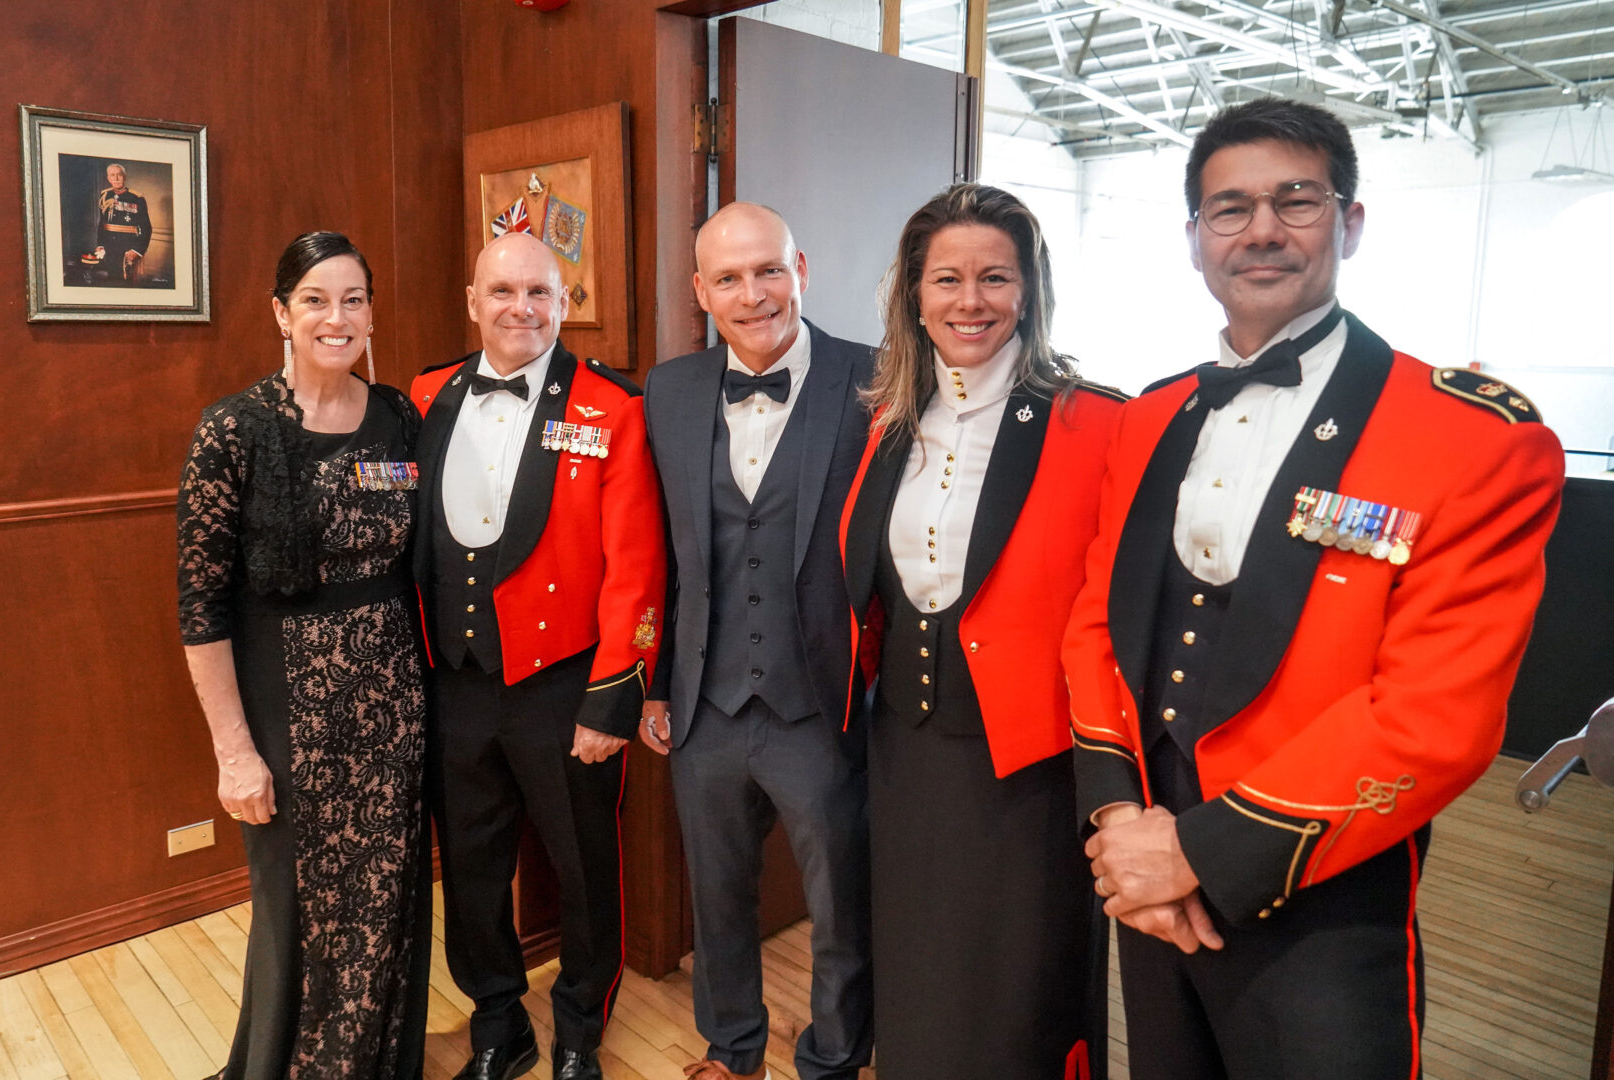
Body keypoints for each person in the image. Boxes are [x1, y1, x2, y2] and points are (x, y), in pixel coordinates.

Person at [1066, 98, 1566, 1080]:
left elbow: (1436, 715)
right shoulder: (1151, 416)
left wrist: (1201, 851)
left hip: (1317, 873)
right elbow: (1098, 623)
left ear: (1350, 222)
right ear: (1194, 239)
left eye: (1295, 201)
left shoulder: (1472, 440)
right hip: (1144, 858)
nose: (1261, 230)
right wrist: (1119, 816)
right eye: (1230, 208)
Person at [839, 183, 1124, 1080]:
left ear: (1029, 292)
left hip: (1028, 772)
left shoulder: (1097, 425)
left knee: (1015, 1000)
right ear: (913, 296)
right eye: (947, 279)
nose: (971, 302)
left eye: (995, 278)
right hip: (905, 755)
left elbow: (1111, 617)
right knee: (917, 975)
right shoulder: (887, 421)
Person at [411, 231, 666, 1080]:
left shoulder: (609, 409)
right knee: (474, 868)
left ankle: (580, 1032)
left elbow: (637, 566)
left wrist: (613, 698)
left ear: (564, 302)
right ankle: (497, 1023)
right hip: (455, 680)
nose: (522, 309)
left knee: (585, 870)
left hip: (565, 684)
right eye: (504, 292)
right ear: (473, 300)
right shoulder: (422, 396)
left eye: (540, 293)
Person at [177, 231, 430, 1079]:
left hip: (392, 702)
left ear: (370, 311)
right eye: (316, 300)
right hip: (287, 710)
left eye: (353, 298)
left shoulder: (398, 417)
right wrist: (233, 751)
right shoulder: (234, 432)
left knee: (386, 894)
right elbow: (199, 607)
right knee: (295, 905)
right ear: (281, 314)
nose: (337, 316)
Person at [638, 201, 874, 1080]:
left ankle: (836, 1058)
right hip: (705, 701)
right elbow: (660, 548)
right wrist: (655, 683)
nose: (752, 293)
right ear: (701, 291)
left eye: (768, 269)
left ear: (801, 268)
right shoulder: (670, 388)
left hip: (821, 700)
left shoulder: (876, 379)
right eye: (728, 278)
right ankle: (731, 1050)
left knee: (840, 901)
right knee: (717, 896)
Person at [89, 163, 152, 284]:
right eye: (113, 175)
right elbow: (102, 223)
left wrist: (137, 250)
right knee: (110, 281)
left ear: (124, 176)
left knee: (125, 282)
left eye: (119, 175)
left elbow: (146, 227)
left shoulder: (136, 197)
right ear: (108, 178)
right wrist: (100, 244)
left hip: (128, 248)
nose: (116, 178)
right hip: (108, 247)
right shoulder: (105, 195)